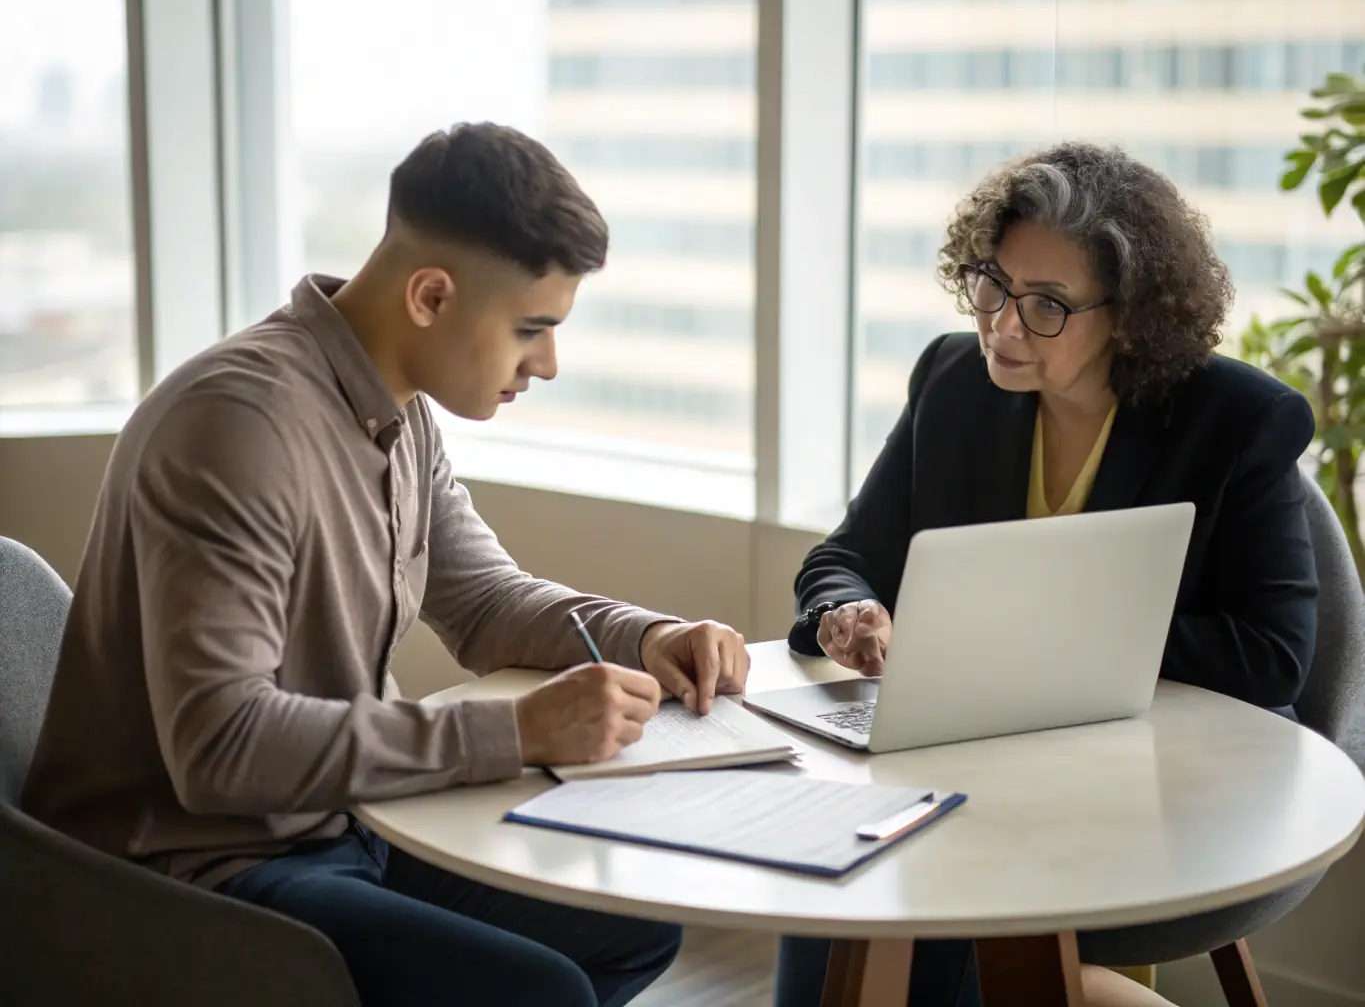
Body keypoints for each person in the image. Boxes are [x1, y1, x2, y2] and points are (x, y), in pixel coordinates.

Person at [22, 122, 754, 1007]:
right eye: (531, 327)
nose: (549, 363)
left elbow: (482, 601)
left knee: (634, 928)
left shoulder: (398, 413)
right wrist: (517, 733)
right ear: (432, 297)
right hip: (190, 866)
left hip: (340, 818)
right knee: (538, 991)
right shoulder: (238, 427)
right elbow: (220, 748)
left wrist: (649, 637)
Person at [776, 141, 1318, 1007]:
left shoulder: (1236, 421)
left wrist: (1029, 641)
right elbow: (845, 556)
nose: (1002, 325)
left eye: (1047, 306)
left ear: (1132, 315)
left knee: (936, 896)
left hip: (1169, 775)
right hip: (987, 762)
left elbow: (1271, 655)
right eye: (993, 285)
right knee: (838, 865)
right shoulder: (954, 380)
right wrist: (848, 608)